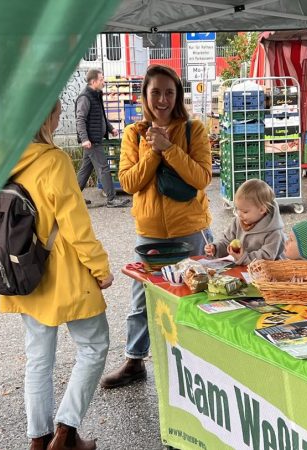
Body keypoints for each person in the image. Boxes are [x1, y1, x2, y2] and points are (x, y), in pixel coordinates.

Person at [0, 100, 113, 450]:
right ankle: (65, 431)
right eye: (57, 112)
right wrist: (100, 267)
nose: (60, 116)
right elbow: (76, 226)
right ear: (45, 117)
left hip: (22, 272)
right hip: (63, 274)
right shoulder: (53, 161)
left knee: (38, 358)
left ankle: (39, 438)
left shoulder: (0, 161)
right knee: (94, 346)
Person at [101, 64, 213, 389]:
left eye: (169, 92)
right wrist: (153, 150)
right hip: (149, 232)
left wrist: (171, 149)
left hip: (191, 229)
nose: (162, 99)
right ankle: (134, 360)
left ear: (177, 95)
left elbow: (201, 177)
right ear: (145, 96)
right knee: (142, 299)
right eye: (156, 92)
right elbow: (129, 181)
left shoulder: (194, 130)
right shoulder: (133, 134)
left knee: (195, 296)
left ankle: (203, 360)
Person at [75, 68, 129, 208]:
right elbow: (80, 119)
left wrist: (110, 128)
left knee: (85, 171)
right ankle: (111, 199)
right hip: (92, 141)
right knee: (104, 168)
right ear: (93, 81)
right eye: (101, 79)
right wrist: (85, 139)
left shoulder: (96, 95)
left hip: (94, 139)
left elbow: (101, 117)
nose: (103, 81)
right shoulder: (85, 97)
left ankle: (73, 198)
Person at [204, 179, 285, 265]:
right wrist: (216, 248)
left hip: (266, 274)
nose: (239, 214)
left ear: (262, 209)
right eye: (238, 209)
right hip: (243, 269)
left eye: (245, 212)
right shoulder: (237, 222)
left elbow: (267, 257)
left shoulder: (274, 232)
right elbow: (226, 241)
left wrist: (244, 257)